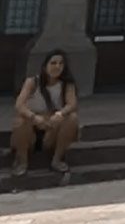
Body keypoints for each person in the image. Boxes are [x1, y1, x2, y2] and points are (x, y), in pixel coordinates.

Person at [10, 49, 80, 181]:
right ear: (45, 66)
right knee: (20, 121)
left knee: (72, 119)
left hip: (51, 129)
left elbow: (72, 104)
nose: (57, 67)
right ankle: (21, 161)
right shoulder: (32, 82)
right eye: (53, 63)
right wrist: (33, 117)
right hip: (32, 129)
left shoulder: (67, 84)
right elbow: (19, 105)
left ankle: (57, 159)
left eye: (60, 63)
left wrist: (60, 114)